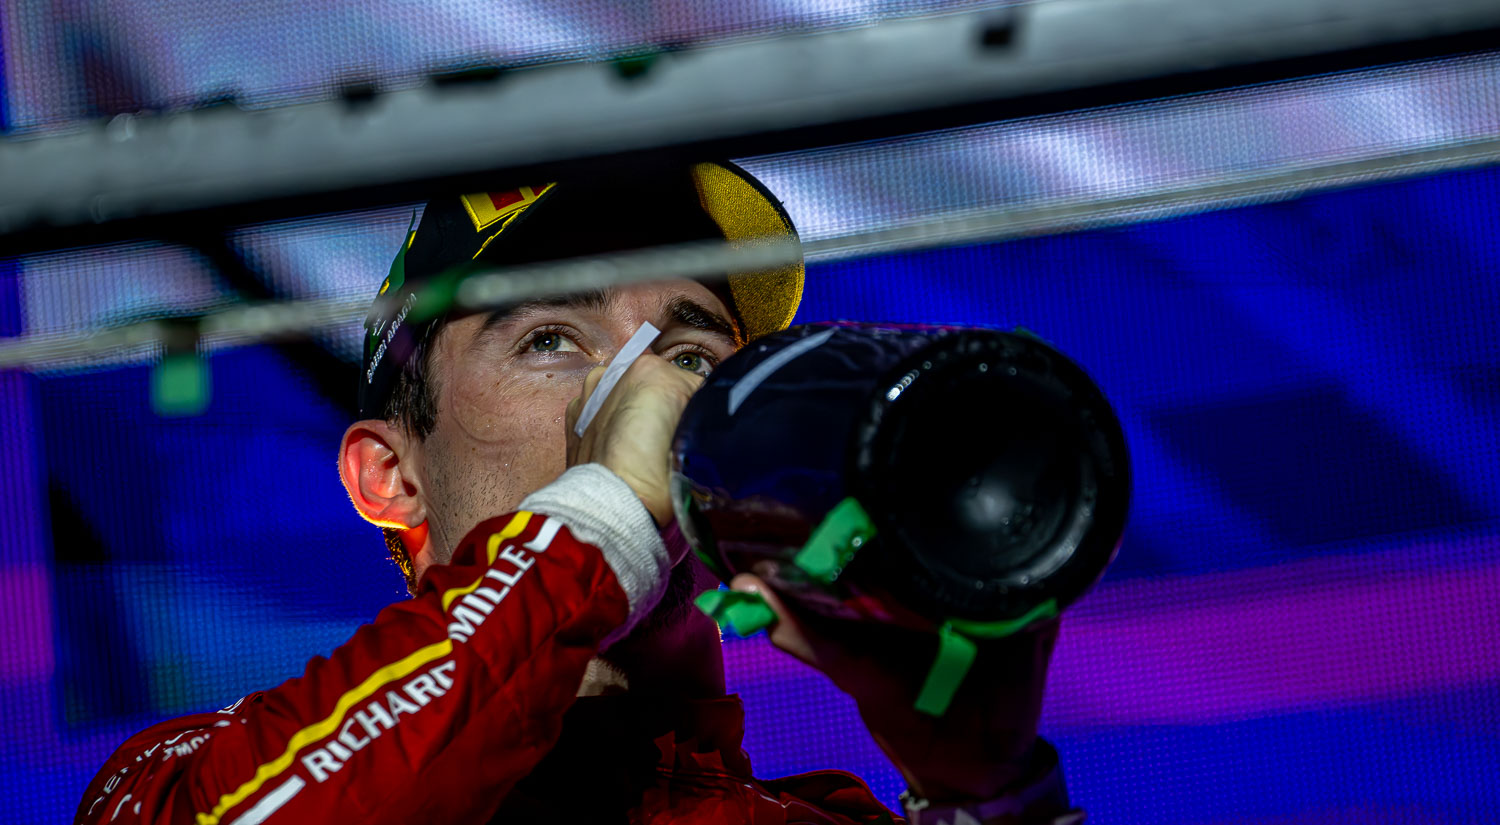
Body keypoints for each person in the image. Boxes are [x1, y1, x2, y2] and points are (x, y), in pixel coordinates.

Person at [76, 162, 1081, 825]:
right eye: (551, 339)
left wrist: (988, 793)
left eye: (693, 351)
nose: (646, 388)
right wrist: (602, 515)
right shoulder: (188, 775)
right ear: (393, 476)